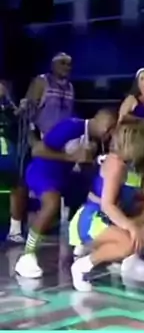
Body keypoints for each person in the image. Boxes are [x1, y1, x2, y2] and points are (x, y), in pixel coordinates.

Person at [14, 109, 117, 279]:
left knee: (99, 190)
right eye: (109, 125)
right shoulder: (71, 127)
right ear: (98, 119)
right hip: (43, 171)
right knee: (52, 203)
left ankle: (85, 243)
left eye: (113, 128)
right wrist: (70, 157)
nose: (110, 131)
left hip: (65, 176)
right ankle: (27, 255)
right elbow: (37, 150)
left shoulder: (94, 140)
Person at [69, 119, 144, 291]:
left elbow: (135, 190)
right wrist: (131, 227)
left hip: (111, 215)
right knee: (128, 243)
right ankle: (83, 266)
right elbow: (107, 205)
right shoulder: (115, 165)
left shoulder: (127, 163)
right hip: (93, 219)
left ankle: (129, 259)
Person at [23, 53, 75, 137]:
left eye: (69, 65)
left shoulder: (70, 87)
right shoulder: (41, 82)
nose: (66, 67)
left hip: (62, 138)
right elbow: (27, 112)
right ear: (53, 65)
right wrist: (33, 137)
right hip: (42, 136)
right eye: (62, 63)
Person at [0, 81, 25, 243]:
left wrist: (19, 107)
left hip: (7, 155)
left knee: (18, 188)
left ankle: (15, 231)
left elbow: (16, 118)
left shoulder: (7, 108)